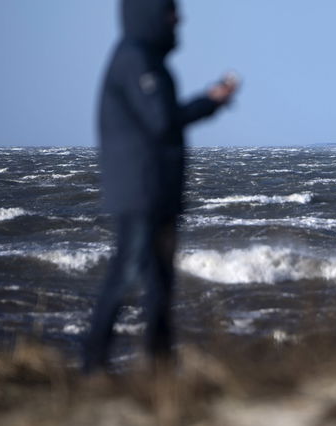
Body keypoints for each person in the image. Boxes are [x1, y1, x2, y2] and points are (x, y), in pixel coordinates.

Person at [82, 0, 238, 373]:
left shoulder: (142, 58)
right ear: (150, 13)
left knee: (158, 281)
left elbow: (160, 121)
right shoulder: (135, 59)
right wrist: (210, 101)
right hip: (141, 192)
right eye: (170, 11)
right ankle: (93, 362)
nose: (178, 18)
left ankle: (159, 363)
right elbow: (162, 120)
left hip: (152, 190)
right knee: (128, 274)